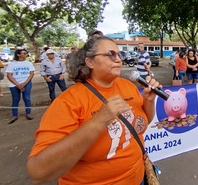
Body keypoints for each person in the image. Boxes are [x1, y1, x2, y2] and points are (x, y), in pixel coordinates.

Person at [27, 36, 162, 184]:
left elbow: (141, 124)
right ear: (90, 62)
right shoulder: (68, 102)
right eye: (111, 54)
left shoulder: (128, 86)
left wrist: (149, 101)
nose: (118, 59)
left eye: (119, 54)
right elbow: (38, 171)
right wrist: (99, 120)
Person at [5, 49, 35, 124]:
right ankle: (14, 115)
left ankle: (28, 113)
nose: (26, 54)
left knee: (27, 98)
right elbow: (9, 75)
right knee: (15, 99)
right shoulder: (12, 64)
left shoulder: (28, 63)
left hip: (26, 83)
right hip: (14, 84)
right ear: (18, 55)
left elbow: (31, 74)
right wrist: (18, 84)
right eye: (24, 53)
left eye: (26, 53)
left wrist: (24, 83)